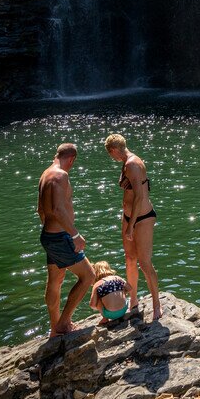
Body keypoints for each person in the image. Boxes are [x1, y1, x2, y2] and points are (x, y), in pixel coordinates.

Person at [37, 142, 95, 336]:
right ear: (71, 159)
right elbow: (58, 209)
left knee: (55, 280)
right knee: (89, 276)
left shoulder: (45, 174)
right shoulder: (61, 175)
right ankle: (64, 323)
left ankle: (55, 328)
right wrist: (75, 235)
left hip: (48, 236)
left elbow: (41, 210)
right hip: (61, 237)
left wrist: (50, 232)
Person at [104, 133, 162, 322]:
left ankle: (156, 306)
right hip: (129, 217)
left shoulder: (132, 164)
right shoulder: (127, 162)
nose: (111, 158)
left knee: (145, 263)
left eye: (110, 154)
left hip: (142, 218)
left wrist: (131, 226)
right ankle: (134, 300)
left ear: (113, 150)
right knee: (130, 258)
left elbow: (138, 197)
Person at [88, 260, 135, 325]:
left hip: (109, 314)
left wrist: (100, 304)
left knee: (98, 299)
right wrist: (122, 292)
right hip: (124, 310)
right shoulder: (118, 278)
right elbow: (130, 288)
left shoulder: (97, 284)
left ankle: (105, 318)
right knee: (121, 289)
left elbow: (92, 305)